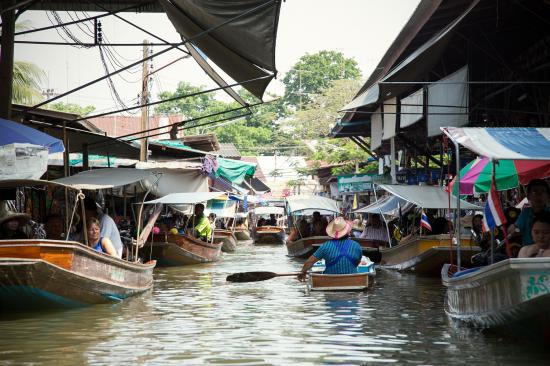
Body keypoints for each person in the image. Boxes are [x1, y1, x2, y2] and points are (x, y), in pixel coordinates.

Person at [298, 217, 363, 281]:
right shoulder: (356, 245)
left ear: (333, 232)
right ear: (347, 231)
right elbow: (357, 262)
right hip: (352, 280)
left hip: (330, 281)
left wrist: (302, 272)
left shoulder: (326, 246)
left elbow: (310, 261)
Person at [508, 179, 550, 245]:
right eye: (535, 192)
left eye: (542, 191)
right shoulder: (526, 213)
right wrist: (514, 229)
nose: (539, 195)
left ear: (548, 196)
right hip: (529, 251)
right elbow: (517, 228)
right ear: (528, 197)